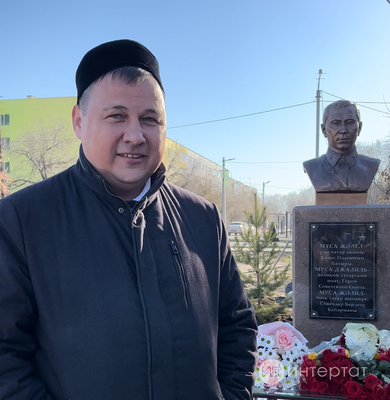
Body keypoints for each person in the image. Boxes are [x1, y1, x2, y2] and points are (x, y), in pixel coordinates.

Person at [0, 40, 257, 400]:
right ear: (79, 121)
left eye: (150, 119)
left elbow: (237, 327)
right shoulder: (21, 220)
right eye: (116, 116)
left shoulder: (203, 218)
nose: (135, 136)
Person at [303, 100, 380, 192]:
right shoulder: (312, 167)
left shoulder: (370, 165)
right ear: (324, 130)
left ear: (359, 128)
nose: (343, 130)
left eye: (350, 122)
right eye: (336, 123)